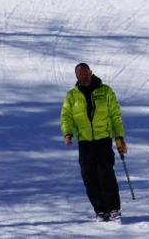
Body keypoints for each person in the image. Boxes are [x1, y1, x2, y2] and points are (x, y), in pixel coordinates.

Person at [60, 63, 127, 222]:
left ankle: (113, 209)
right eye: (81, 74)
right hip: (85, 141)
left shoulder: (105, 91)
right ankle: (100, 211)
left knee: (106, 175)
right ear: (76, 76)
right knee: (89, 177)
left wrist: (119, 137)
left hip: (103, 139)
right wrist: (68, 133)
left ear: (91, 72)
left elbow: (115, 116)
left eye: (86, 72)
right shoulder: (72, 96)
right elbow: (66, 117)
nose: (84, 76)